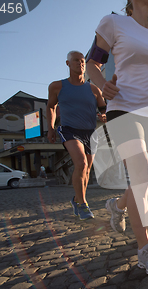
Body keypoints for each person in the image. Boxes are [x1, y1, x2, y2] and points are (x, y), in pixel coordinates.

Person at [86, 0, 148, 276]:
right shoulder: (114, 23)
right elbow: (92, 64)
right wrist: (101, 83)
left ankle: (117, 206)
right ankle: (145, 249)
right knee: (140, 173)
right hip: (123, 107)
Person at [47, 51, 107, 220]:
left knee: (86, 169)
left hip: (90, 132)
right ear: (68, 63)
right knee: (80, 162)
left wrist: (104, 115)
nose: (80, 64)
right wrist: (50, 128)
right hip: (69, 129)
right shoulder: (57, 86)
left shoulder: (94, 90)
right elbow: (51, 106)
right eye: (76, 61)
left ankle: (76, 199)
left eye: (82, 61)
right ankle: (83, 204)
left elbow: (104, 109)